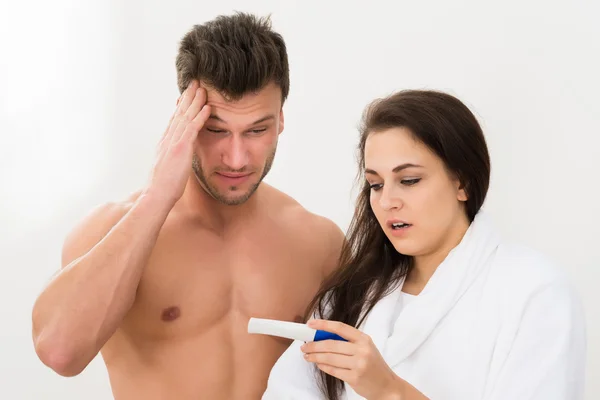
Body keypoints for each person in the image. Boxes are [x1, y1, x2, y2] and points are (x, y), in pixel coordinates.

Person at [31, 12, 344, 400]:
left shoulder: (319, 242)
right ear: (184, 116)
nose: (235, 158)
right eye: (215, 130)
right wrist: (157, 197)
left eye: (256, 130)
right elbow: (61, 353)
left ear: (280, 119)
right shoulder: (111, 230)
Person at [262, 90, 587, 400]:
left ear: (463, 182)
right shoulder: (352, 294)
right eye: (375, 184)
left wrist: (390, 390)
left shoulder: (535, 292)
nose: (387, 201)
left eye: (409, 180)